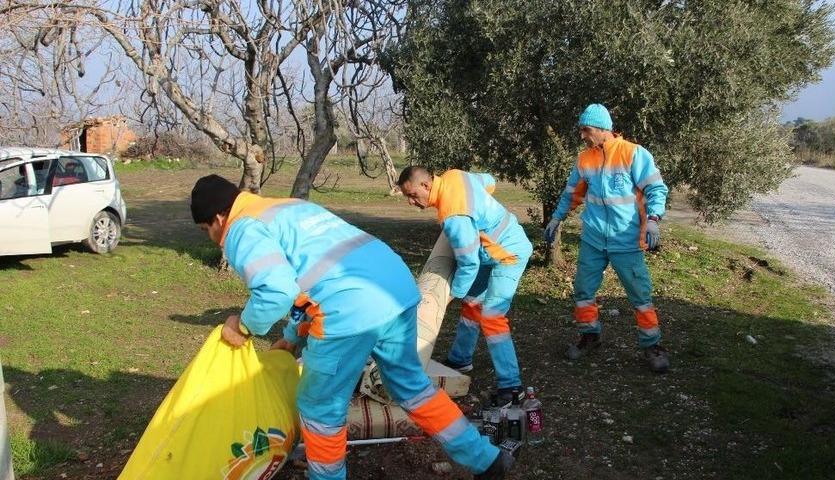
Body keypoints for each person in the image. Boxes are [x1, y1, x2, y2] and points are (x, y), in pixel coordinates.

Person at [190, 175, 512, 480]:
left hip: (350, 310)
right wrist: (290, 338)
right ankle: (485, 458)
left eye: (206, 229)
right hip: (395, 290)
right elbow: (315, 277)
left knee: (319, 408)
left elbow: (277, 291)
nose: (213, 237)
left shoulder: (240, 229)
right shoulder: (284, 207)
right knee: (413, 388)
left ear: (219, 219)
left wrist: (243, 327)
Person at [544, 103, 670, 373]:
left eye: (585, 130)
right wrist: (557, 217)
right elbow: (571, 194)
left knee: (640, 295)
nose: (582, 135)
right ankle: (590, 336)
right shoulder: (584, 159)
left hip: (626, 241)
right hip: (593, 240)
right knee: (583, 290)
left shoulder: (633, 154)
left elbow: (656, 188)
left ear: (603, 130)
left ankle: (652, 345)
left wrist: (654, 219)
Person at [398, 167, 533, 403]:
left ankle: (512, 386)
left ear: (426, 186)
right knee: (472, 303)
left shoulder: (454, 216)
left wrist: (450, 295)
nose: (411, 202)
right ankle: (461, 359)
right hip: (488, 253)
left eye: (412, 195)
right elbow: (489, 181)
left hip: (508, 254)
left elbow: (468, 264)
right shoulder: (454, 176)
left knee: (492, 316)